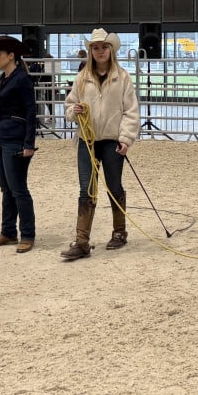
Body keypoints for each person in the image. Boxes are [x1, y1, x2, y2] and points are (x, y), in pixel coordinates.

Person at [60, 28, 141, 261]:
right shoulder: (82, 77)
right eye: (96, 48)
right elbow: (69, 104)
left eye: (104, 47)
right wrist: (73, 112)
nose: (100, 51)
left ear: (111, 49)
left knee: (114, 186)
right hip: (87, 139)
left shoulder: (122, 77)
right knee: (86, 188)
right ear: (90, 51)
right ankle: (82, 240)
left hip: (112, 141)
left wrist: (126, 139)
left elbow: (131, 112)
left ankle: (119, 231)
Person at [0, 35, 38, 253]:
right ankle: (8, 231)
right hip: (1, 136)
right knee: (6, 188)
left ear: (11, 56)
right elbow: (9, 108)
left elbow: (31, 111)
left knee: (18, 189)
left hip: (15, 138)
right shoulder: (5, 78)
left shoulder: (22, 78)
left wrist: (29, 143)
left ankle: (28, 234)